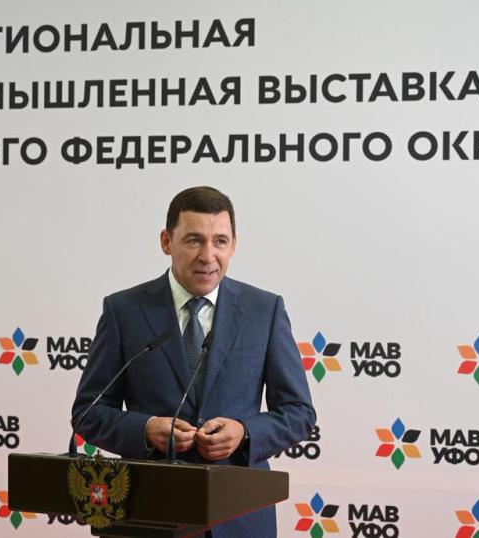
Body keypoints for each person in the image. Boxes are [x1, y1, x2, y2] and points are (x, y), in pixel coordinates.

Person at [71, 186, 316, 537]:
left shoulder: (265, 310)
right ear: (166, 241)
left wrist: (244, 433)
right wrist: (145, 429)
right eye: (193, 241)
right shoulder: (123, 310)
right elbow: (88, 412)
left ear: (233, 245)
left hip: (240, 516)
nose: (207, 256)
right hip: (149, 513)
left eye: (220, 241)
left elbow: (299, 413)